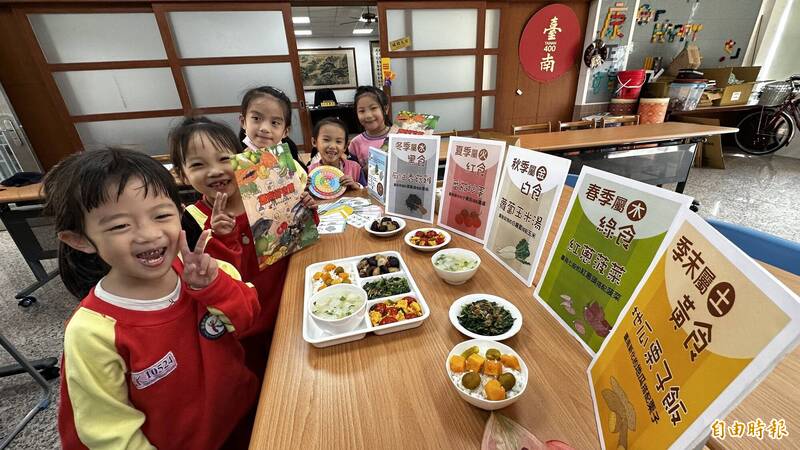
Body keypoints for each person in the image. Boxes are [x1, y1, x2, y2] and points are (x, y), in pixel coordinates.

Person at [46, 148, 260, 450]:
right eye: (120, 225)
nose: (148, 234)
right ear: (79, 240)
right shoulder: (91, 332)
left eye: (161, 215)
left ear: (180, 212)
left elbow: (249, 319)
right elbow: (111, 434)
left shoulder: (202, 270)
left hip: (247, 415)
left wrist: (213, 287)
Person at [169, 116, 316, 377]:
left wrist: (305, 209)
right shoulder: (192, 220)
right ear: (181, 174)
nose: (214, 170)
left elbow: (296, 234)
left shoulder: (264, 189)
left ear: (241, 159)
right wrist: (221, 236)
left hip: (294, 305)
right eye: (198, 164)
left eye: (224, 159)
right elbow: (213, 282)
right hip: (247, 329)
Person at [238, 85, 308, 172]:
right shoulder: (236, 161)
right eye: (256, 118)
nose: (265, 128)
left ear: (285, 131)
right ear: (243, 122)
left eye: (274, 123)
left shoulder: (294, 166)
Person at [307, 117, 365, 190]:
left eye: (338, 141)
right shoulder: (309, 172)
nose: (332, 146)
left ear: (345, 146)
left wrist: (356, 186)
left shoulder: (355, 168)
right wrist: (306, 189)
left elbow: (366, 191)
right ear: (314, 142)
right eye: (326, 140)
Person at [348, 86, 392, 177]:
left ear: (385, 109)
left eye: (373, 108)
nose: (368, 115)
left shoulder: (397, 136)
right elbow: (354, 174)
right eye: (362, 111)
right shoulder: (355, 143)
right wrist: (366, 170)